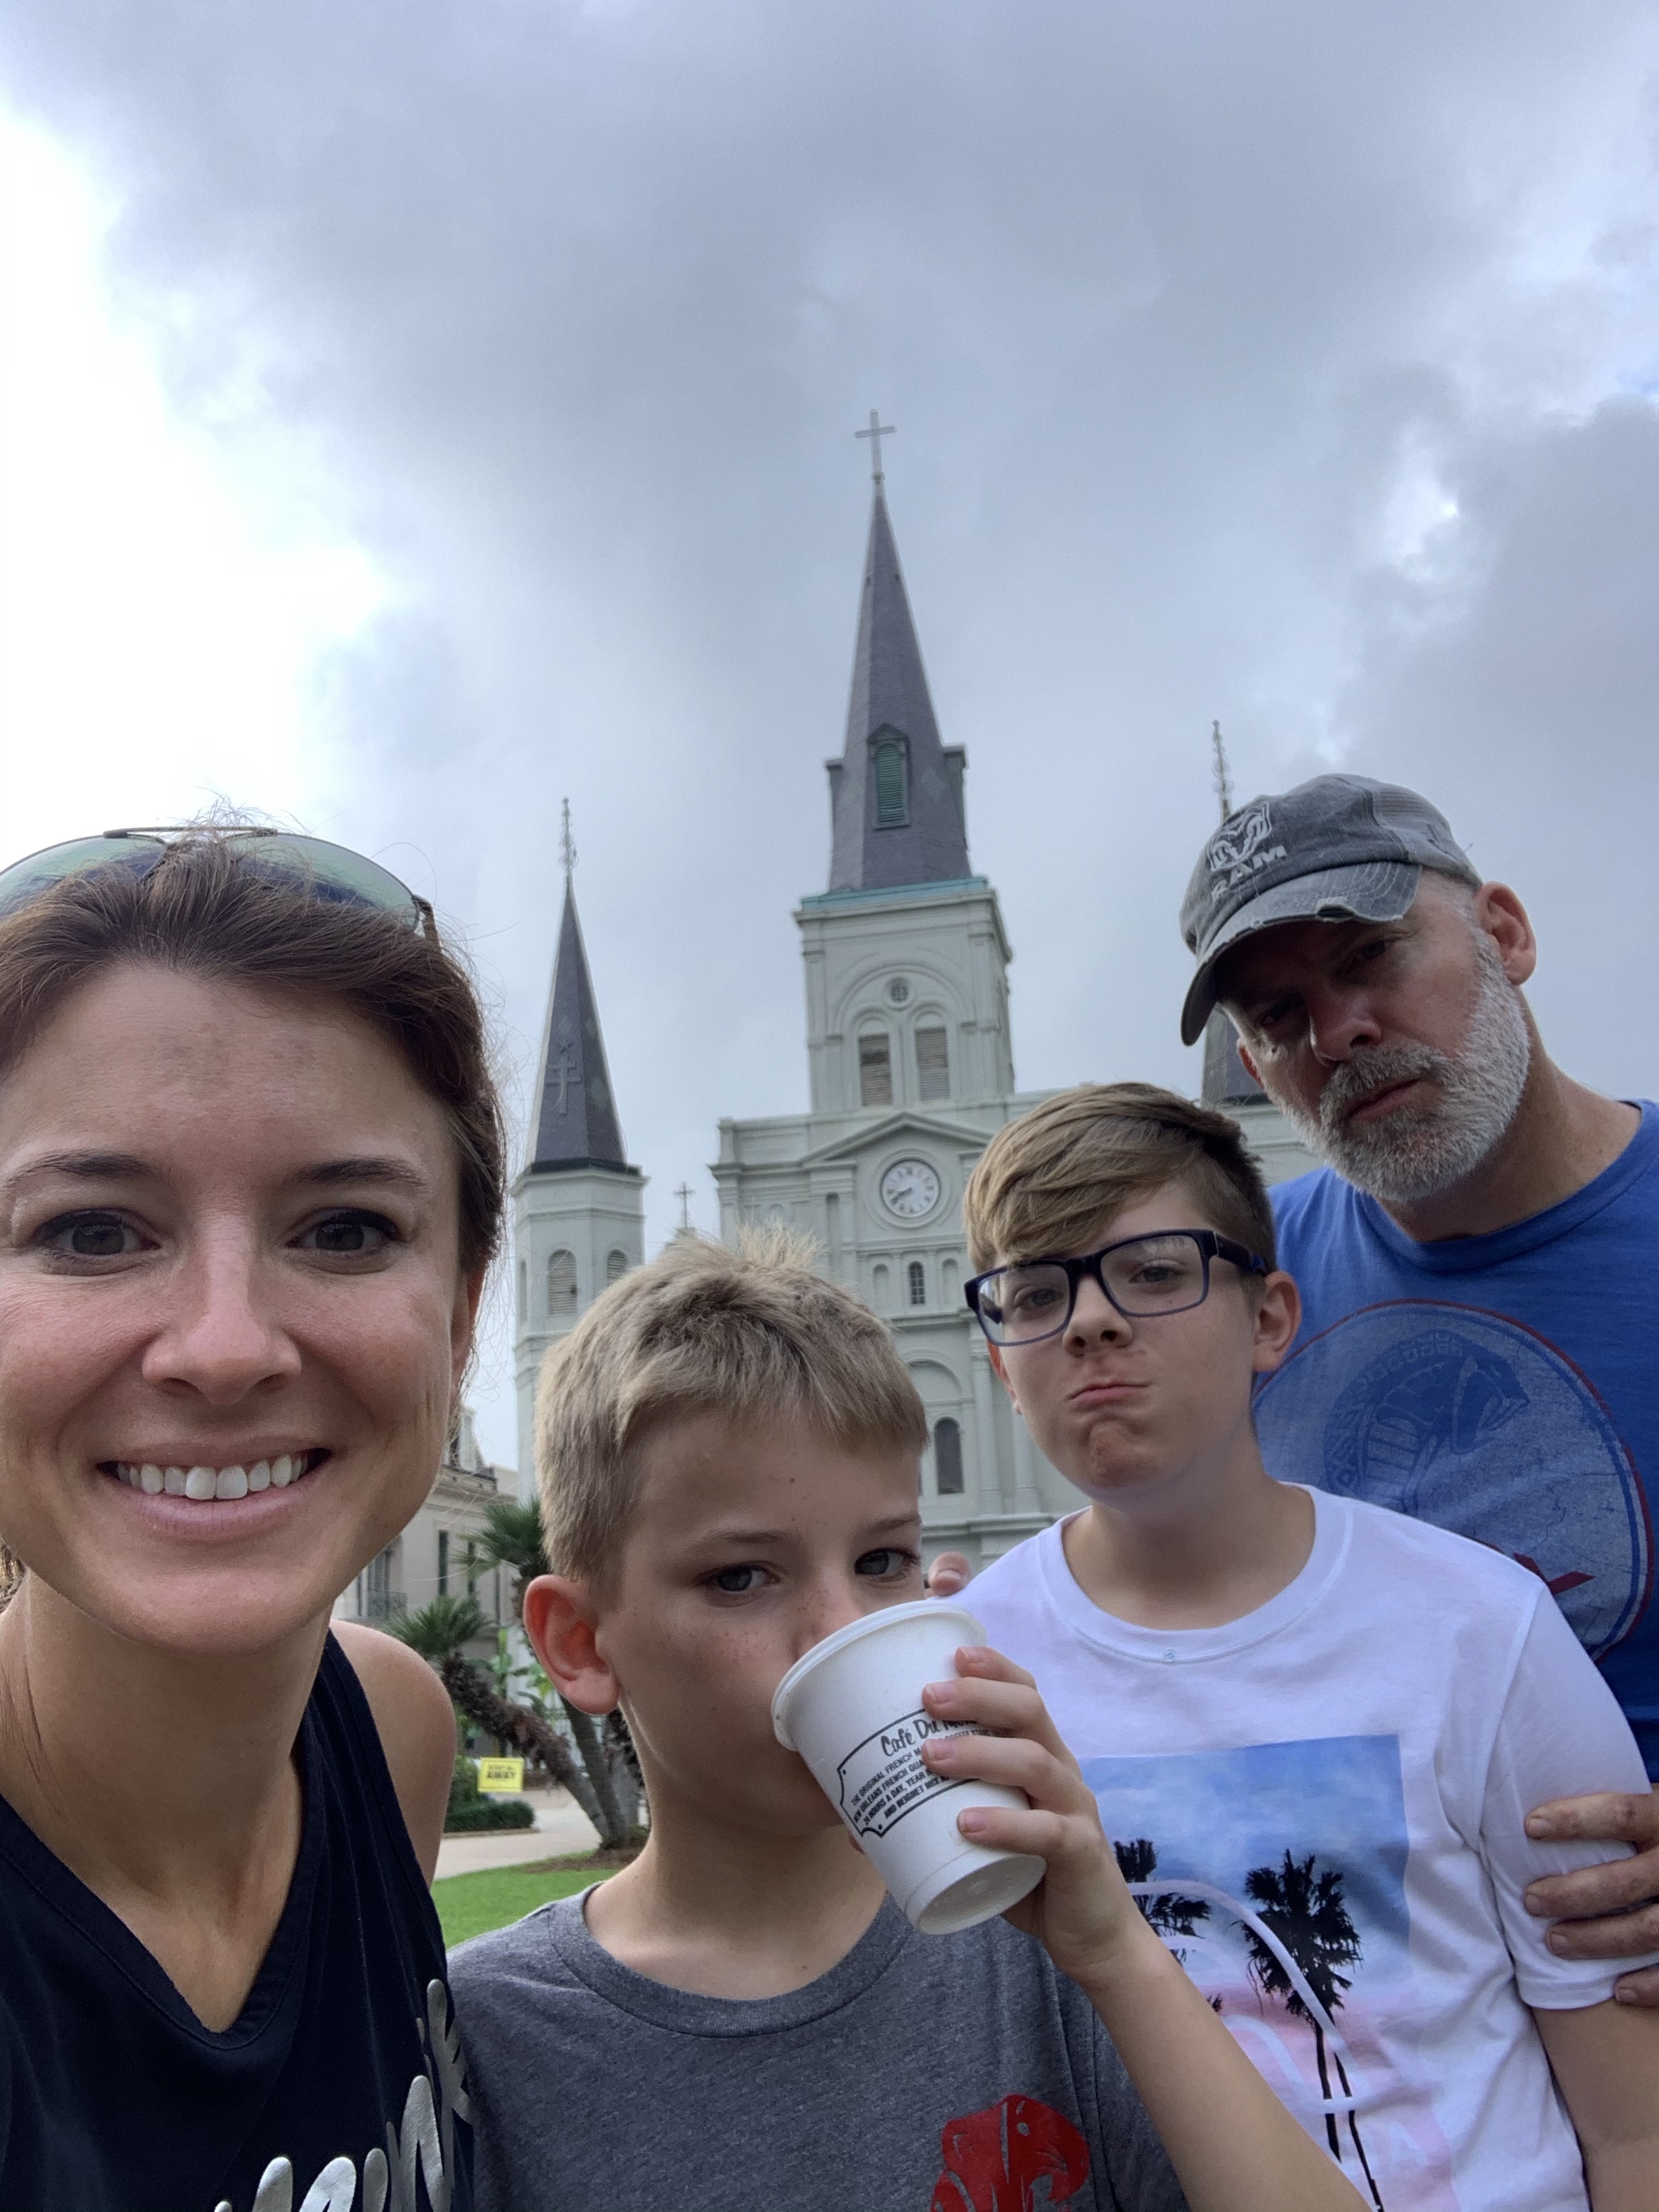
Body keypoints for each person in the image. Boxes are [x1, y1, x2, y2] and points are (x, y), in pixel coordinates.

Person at [449, 1231, 1367, 2212]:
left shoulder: (1048, 1953)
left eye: (882, 1562)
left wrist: (1118, 1955)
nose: (841, 1628)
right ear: (581, 1644)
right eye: (741, 1577)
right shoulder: (487, 2038)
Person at [957, 1083, 1659, 2211]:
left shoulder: (1479, 1627)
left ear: (1271, 1320)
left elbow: (1635, 2125)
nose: (1089, 1321)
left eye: (1154, 1272)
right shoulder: (965, 1674)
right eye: (1035, 1293)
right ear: (1002, 1363)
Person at [0, 827, 494, 2211]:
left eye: (344, 1230)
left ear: (461, 1317)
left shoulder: (388, 1729)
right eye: (92, 1230)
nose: (224, 1349)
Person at [1174, 771, 1659, 2000]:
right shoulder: (1231, 1291)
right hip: (1381, 2048)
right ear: (1255, 1064)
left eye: (1372, 957)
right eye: (1280, 1011)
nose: (1339, 1032)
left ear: (1506, 933)